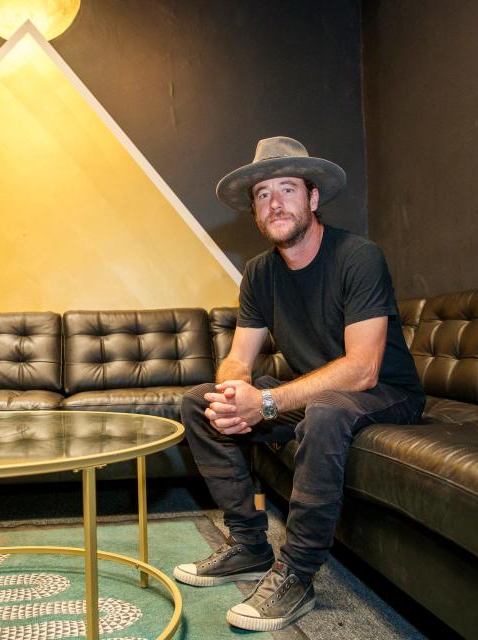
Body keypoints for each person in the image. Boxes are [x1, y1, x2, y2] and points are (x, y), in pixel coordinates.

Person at [174, 136, 425, 631]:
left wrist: (265, 401)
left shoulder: (359, 256)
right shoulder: (259, 273)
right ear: (255, 213)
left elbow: (362, 369)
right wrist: (233, 391)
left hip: (385, 394)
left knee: (326, 411)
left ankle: (297, 573)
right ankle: (248, 545)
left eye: (287, 189)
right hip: (316, 395)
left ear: (313, 199)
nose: (275, 203)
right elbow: (238, 359)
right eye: (263, 194)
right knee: (199, 403)